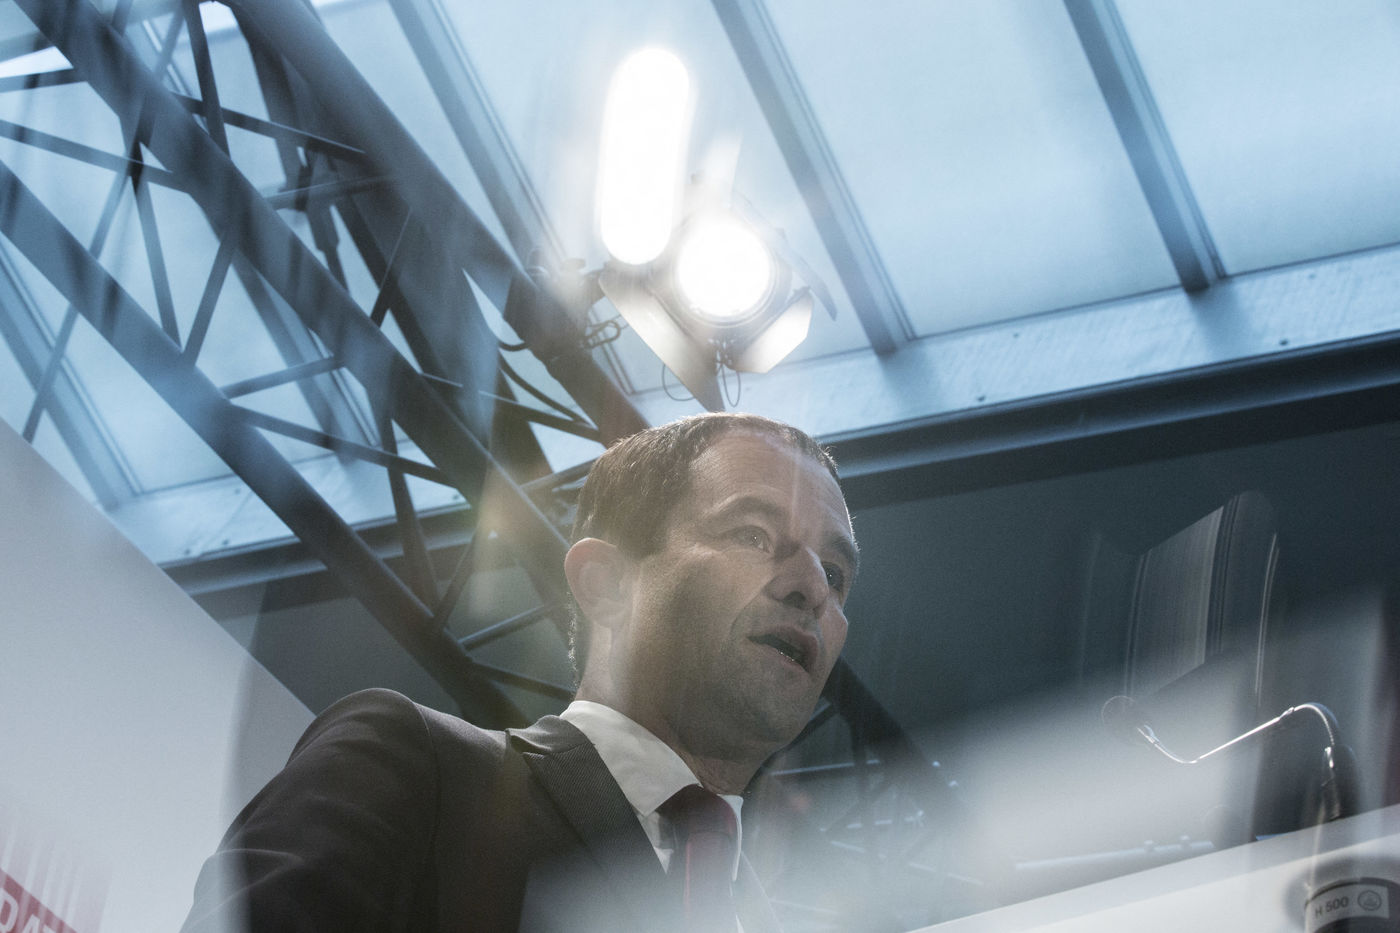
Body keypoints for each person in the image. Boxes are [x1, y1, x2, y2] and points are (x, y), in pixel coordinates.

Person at [180, 412, 859, 932]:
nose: (811, 587)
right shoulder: (414, 768)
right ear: (606, 584)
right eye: (752, 535)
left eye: (835, 572)